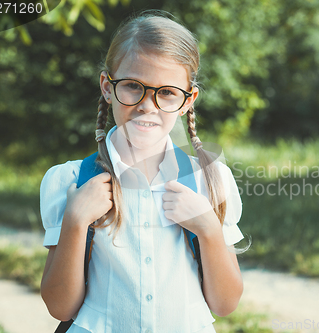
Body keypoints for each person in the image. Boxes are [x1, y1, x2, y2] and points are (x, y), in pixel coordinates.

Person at [39, 11, 245, 333]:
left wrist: (207, 227)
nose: (148, 105)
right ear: (108, 87)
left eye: (166, 92)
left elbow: (226, 304)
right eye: (134, 86)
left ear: (188, 100)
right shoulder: (71, 182)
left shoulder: (210, 180)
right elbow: (59, 306)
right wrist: (76, 221)